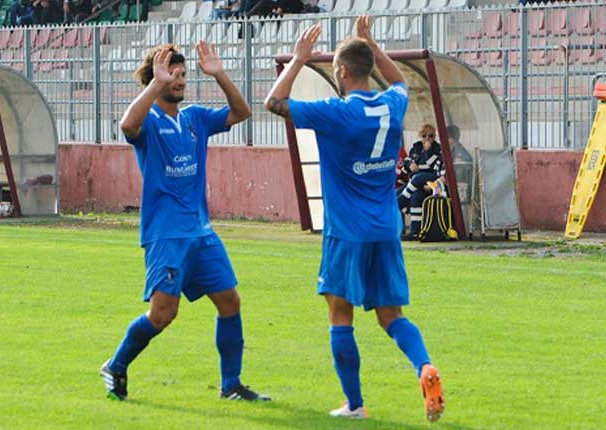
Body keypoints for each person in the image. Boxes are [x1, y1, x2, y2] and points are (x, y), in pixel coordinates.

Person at [263, 17, 445, 422]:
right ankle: (425, 368)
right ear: (369, 67)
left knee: (340, 314)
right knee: (391, 316)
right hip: (385, 228)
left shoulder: (336, 112)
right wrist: (373, 43)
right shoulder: (391, 105)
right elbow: (400, 82)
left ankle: (355, 404)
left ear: (342, 71)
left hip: (346, 231)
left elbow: (273, 103)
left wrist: (298, 60)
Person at [101, 41, 269, 402]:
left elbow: (241, 112)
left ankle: (231, 386)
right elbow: (127, 125)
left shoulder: (194, 118)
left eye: (182, 74)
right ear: (157, 78)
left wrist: (219, 73)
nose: (181, 80)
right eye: (174, 75)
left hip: (201, 231)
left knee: (230, 301)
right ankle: (115, 365)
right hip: (167, 234)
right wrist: (155, 85)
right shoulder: (149, 121)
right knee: (162, 315)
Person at [397, 123, 444, 238]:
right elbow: (405, 164)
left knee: (418, 177)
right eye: (424, 135)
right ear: (420, 135)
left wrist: (427, 151)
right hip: (415, 184)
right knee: (412, 196)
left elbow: (430, 166)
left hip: (430, 179)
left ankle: (400, 202)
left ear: (434, 137)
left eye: (430, 136)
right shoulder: (416, 147)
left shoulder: (437, 149)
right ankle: (415, 231)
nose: (427, 138)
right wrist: (410, 165)